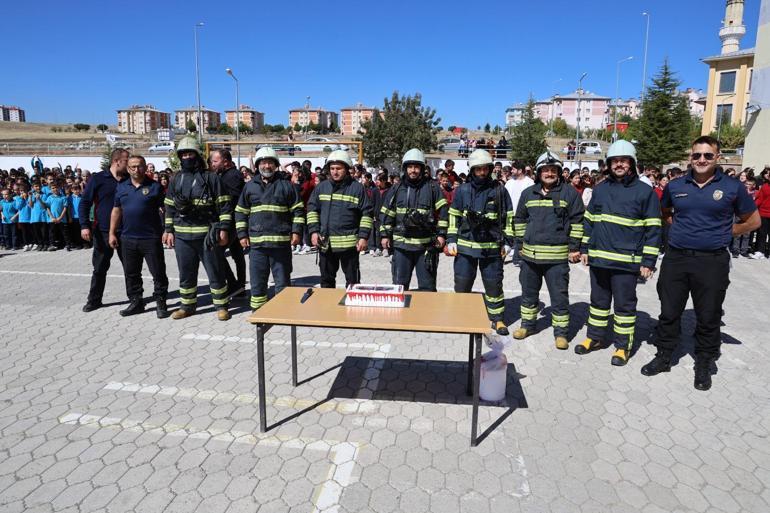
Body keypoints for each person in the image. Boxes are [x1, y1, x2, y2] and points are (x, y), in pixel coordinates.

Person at [643, 136, 760, 390]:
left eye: (708, 155)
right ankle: (664, 356)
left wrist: (725, 233)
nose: (702, 160)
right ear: (690, 157)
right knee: (669, 310)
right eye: (697, 155)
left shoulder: (731, 187)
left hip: (712, 261)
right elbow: (665, 213)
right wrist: (681, 230)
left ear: (718, 158)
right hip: (676, 258)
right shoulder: (676, 186)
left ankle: (704, 362)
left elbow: (754, 221)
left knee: (708, 315)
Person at [578, 140, 661, 366]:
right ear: (609, 164)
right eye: (615, 161)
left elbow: (653, 229)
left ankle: (622, 346)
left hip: (627, 262)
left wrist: (649, 261)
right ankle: (594, 338)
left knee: (624, 307)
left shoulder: (645, 192)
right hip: (599, 259)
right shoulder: (601, 189)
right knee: (598, 302)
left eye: (624, 160)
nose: (619, 164)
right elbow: (590, 221)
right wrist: (585, 248)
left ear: (632, 163)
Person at [512, 151, 584, 349]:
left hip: (557, 258)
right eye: (546, 170)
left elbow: (578, 222)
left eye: (553, 170)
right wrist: (520, 245)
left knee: (559, 297)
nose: (549, 173)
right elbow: (519, 219)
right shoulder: (528, 193)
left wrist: (574, 248)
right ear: (538, 172)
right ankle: (528, 325)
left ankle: (561, 333)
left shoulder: (569, 193)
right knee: (528, 293)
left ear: (559, 172)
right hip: (530, 257)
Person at [163, 136, 233, 321]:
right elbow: (169, 206)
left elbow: (224, 206)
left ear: (198, 155)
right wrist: (168, 229)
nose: (187, 157)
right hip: (183, 237)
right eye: (183, 154)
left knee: (215, 271)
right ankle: (187, 306)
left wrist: (224, 229)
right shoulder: (175, 179)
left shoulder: (211, 178)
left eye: (190, 153)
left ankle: (221, 306)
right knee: (186, 274)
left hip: (207, 236)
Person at [446, 149, 514, 335]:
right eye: (478, 169)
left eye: (485, 169)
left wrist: (508, 242)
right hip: (466, 248)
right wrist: (451, 239)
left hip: (491, 249)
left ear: (490, 169)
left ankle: (497, 319)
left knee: (493, 284)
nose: (482, 173)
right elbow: (454, 217)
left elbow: (508, 218)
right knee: (462, 283)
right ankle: (461, 316)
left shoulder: (500, 190)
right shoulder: (462, 191)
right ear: (472, 170)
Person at [235, 147, 304, 311]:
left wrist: (296, 231)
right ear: (258, 165)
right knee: (257, 282)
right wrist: (242, 234)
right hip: (257, 246)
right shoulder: (250, 187)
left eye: (270, 163)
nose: (267, 166)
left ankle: (282, 311)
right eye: (263, 163)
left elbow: (298, 210)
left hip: (281, 246)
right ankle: (258, 312)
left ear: (276, 165)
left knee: (282, 282)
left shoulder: (286, 186)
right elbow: (240, 212)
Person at [108, 155, 169, 318]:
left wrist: (167, 230)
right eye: (133, 167)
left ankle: (161, 302)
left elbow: (166, 209)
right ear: (128, 168)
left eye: (140, 166)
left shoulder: (155, 187)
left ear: (145, 167)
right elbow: (116, 210)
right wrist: (112, 232)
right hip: (128, 238)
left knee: (158, 272)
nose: (137, 169)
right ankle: (136, 302)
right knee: (131, 273)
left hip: (151, 238)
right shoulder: (122, 187)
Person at [380, 149, 448, 291]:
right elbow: (387, 213)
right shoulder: (396, 189)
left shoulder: (432, 188)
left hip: (425, 246)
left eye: (416, 167)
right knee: (399, 287)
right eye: (410, 167)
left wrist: (441, 235)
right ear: (405, 168)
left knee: (427, 288)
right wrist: (385, 235)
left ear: (422, 169)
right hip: (401, 246)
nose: (413, 170)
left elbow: (443, 212)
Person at [307, 150, 373, 288]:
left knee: (353, 283)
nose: (335, 172)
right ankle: (327, 309)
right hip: (326, 245)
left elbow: (367, 214)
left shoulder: (357, 188)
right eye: (332, 168)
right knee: (326, 282)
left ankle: (353, 309)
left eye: (338, 168)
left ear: (347, 169)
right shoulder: (321, 188)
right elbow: (312, 210)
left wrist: (363, 237)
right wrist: (314, 232)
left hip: (349, 246)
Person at [79, 148, 129, 311]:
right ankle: (94, 300)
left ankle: (135, 299)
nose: (129, 164)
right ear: (117, 161)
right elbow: (85, 202)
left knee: (131, 268)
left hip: (125, 231)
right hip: (102, 231)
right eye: (126, 160)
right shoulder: (98, 178)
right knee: (99, 268)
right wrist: (84, 225)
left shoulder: (129, 179)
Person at [209, 149, 247, 295]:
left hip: (231, 223)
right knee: (237, 255)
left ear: (225, 161)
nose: (212, 164)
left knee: (216, 253)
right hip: (233, 222)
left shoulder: (232, 176)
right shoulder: (224, 174)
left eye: (215, 161)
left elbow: (231, 200)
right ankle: (239, 287)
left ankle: (235, 285)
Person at [504, 160, 535, 266]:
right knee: (506, 236)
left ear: (520, 170)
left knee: (519, 237)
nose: (511, 170)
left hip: (522, 215)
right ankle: (501, 257)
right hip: (509, 214)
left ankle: (517, 259)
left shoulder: (529, 183)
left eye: (513, 169)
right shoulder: (509, 182)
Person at [44, 182, 71, 250]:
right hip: (52, 219)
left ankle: (67, 245)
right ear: (50, 189)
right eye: (53, 188)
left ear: (59, 188)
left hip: (62, 219)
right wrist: (52, 217)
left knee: (64, 233)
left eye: (56, 187)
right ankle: (52, 245)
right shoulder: (49, 198)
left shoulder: (63, 197)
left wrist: (60, 217)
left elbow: (65, 208)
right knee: (52, 233)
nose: (55, 189)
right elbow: (47, 208)